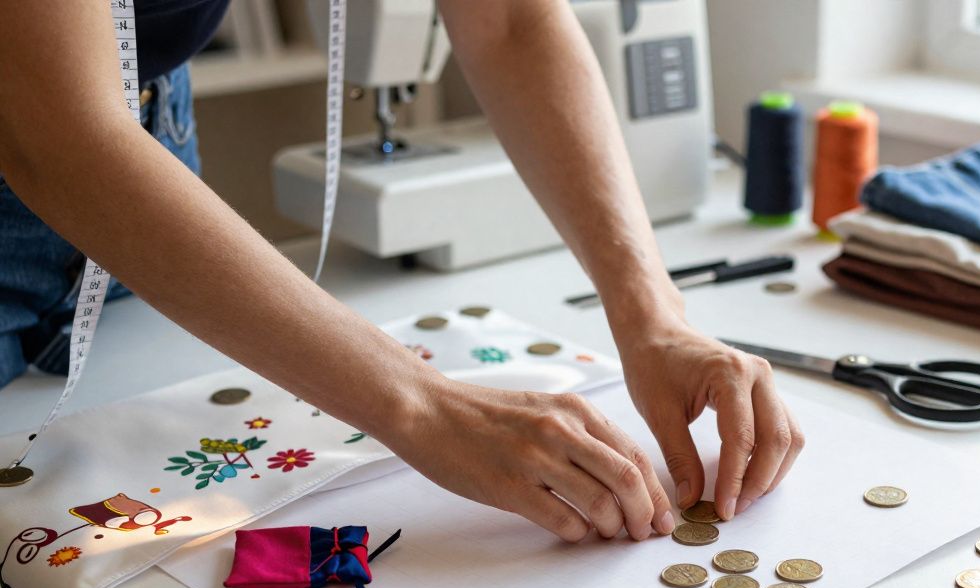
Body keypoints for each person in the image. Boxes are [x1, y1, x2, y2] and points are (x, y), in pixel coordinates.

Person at [0, 0, 804, 543]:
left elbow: (511, 21)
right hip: (70, 136)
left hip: (137, 125)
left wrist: (653, 316)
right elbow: (56, 135)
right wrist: (424, 407)